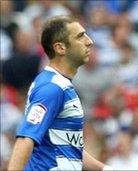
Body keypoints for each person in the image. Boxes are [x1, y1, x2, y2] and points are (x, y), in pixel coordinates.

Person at [8, 15, 113, 170]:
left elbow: (69, 149)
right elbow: (25, 138)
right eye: (80, 36)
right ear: (60, 48)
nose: (89, 41)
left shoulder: (61, 85)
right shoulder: (52, 88)